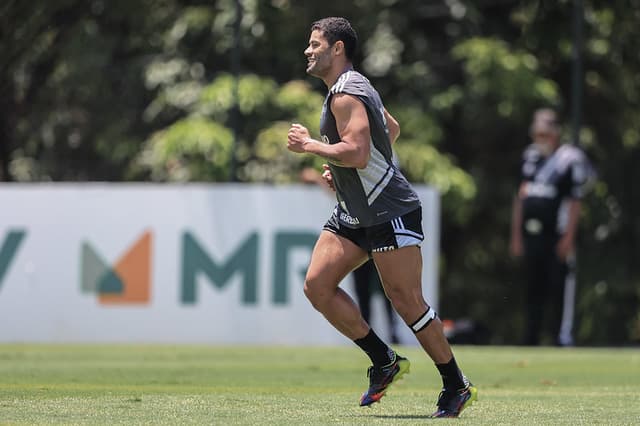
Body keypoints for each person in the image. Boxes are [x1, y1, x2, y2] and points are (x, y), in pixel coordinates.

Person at [286, 17, 476, 418]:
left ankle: (456, 384)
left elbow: (356, 151)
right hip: (355, 212)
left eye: (316, 44)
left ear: (338, 49)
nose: (308, 50)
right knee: (317, 286)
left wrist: (312, 147)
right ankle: (384, 361)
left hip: (390, 210)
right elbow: (389, 128)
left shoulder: (344, 94)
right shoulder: (355, 84)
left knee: (407, 302)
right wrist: (344, 171)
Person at [510, 108, 593, 346]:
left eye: (544, 134)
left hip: (556, 236)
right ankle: (530, 339)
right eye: (536, 135)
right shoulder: (529, 157)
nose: (540, 140)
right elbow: (520, 199)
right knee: (532, 289)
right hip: (531, 235)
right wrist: (516, 235)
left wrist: (568, 238)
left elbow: (575, 202)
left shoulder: (570, 160)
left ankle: (560, 338)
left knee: (557, 288)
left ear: (556, 133)